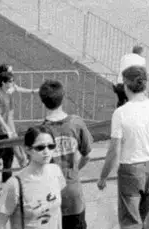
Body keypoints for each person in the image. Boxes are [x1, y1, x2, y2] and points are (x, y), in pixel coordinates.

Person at [96, 65, 149, 229]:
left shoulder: (121, 113)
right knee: (147, 219)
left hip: (131, 169)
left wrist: (103, 177)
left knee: (130, 221)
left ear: (127, 86)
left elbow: (114, 150)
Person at [38, 80, 93, 229]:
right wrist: (75, 169)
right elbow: (87, 155)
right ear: (63, 98)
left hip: (51, 195)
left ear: (42, 101)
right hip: (73, 193)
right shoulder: (76, 123)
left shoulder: (40, 131)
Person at [0, 125, 67, 229]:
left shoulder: (56, 171)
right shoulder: (13, 184)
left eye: (51, 146)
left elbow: (57, 212)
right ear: (27, 149)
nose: (46, 151)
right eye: (40, 147)